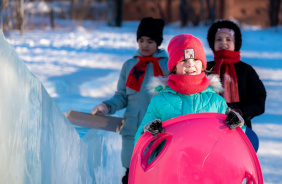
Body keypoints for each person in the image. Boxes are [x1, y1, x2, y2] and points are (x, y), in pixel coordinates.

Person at [90, 17, 169, 184]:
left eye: (150, 41)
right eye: (141, 40)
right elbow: (122, 96)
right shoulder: (130, 66)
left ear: (158, 42)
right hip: (132, 131)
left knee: (157, 175)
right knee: (131, 175)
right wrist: (106, 106)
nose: (145, 45)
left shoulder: (168, 66)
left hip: (160, 131)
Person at [134, 34, 246, 144]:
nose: (190, 65)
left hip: (207, 161)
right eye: (183, 61)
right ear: (174, 67)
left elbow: (235, 144)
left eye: (195, 59)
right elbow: (140, 144)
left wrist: (236, 127)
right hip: (172, 161)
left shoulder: (216, 102)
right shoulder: (159, 102)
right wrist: (149, 134)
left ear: (203, 65)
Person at [206, 20, 266, 129]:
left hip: (240, 125)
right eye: (219, 39)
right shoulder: (205, 68)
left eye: (228, 39)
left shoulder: (246, 70)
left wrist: (241, 112)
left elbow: (259, 100)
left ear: (236, 43)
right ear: (212, 43)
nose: (223, 42)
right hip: (210, 124)